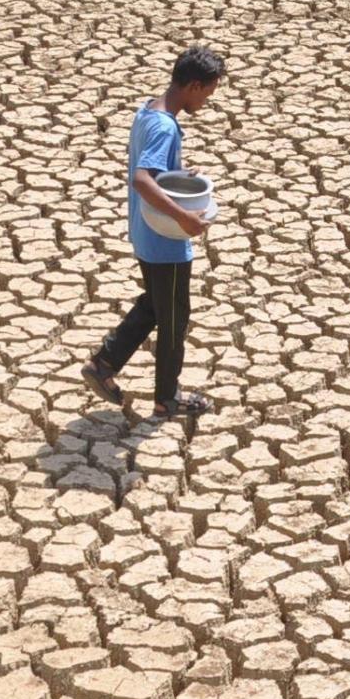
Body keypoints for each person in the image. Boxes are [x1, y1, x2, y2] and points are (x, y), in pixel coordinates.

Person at [81, 45, 225, 419]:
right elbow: (143, 179)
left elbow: (155, 174)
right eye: (208, 92)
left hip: (145, 234)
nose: (207, 101)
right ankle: (167, 398)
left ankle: (104, 364)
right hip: (166, 241)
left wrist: (176, 176)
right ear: (194, 85)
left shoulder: (150, 110)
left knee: (155, 306)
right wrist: (186, 219)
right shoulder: (164, 127)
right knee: (174, 319)